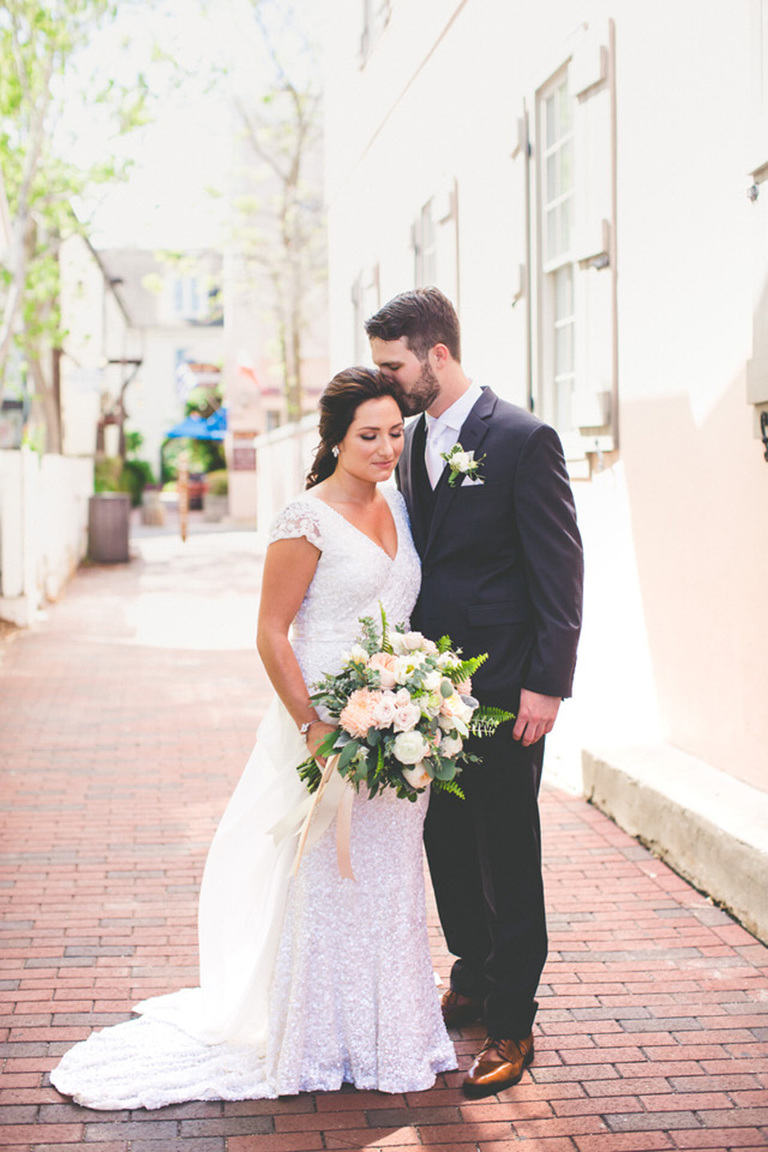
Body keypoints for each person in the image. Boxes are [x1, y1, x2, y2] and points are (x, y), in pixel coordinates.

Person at [50, 367, 456, 1110]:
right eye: (368, 435)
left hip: (402, 727)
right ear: (334, 437)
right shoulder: (305, 518)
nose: (385, 448)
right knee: (327, 876)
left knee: (394, 879)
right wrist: (314, 724)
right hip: (330, 720)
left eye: (395, 433)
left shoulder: (400, 502)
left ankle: (391, 1034)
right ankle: (318, 1038)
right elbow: (272, 632)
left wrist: (421, 698)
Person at [366, 287, 584, 1098]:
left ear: (438, 355)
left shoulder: (524, 439)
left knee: (506, 851)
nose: (387, 380)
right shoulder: (409, 439)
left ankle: (513, 1020)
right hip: (428, 694)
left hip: (505, 691)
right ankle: (473, 969)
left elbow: (559, 569)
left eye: (395, 364)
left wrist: (547, 685)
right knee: (446, 843)